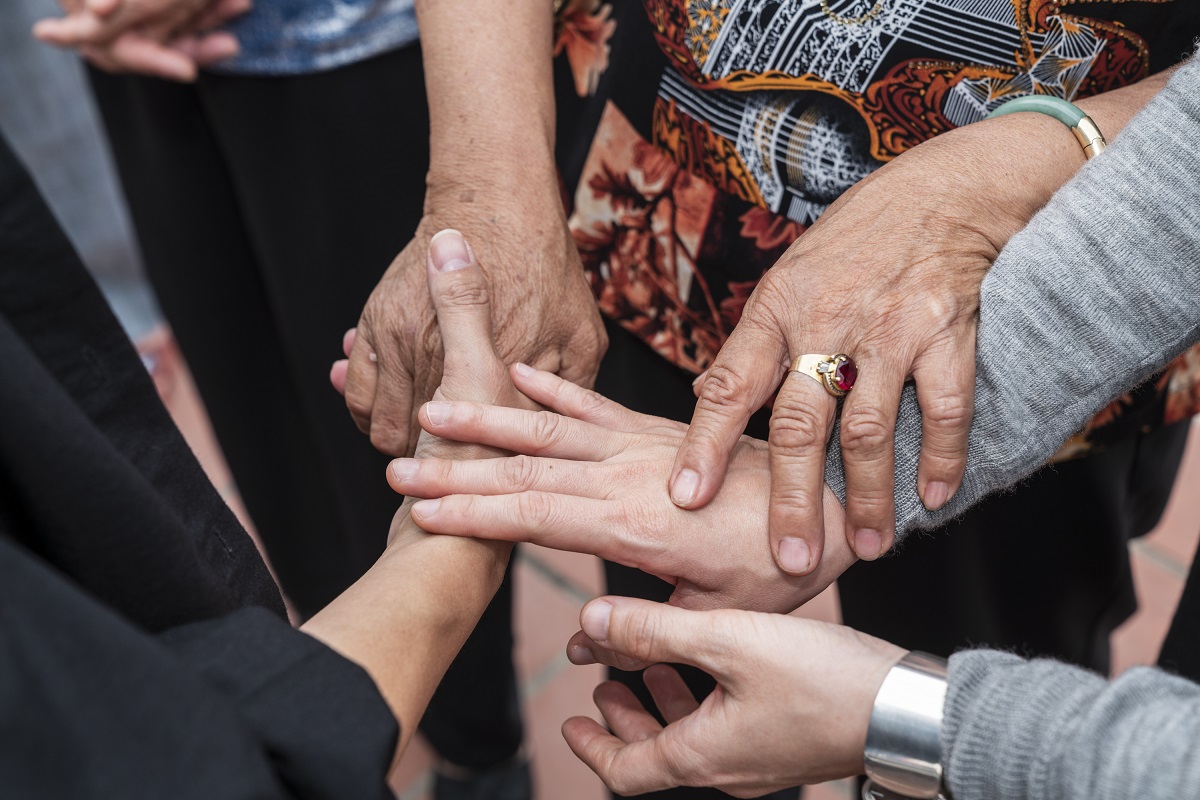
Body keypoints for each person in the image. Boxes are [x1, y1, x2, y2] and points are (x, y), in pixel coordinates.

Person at [375, 50, 1200, 799]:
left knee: (991, 618)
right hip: (675, 219)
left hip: (1034, 282)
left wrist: (912, 718)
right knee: (678, 679)